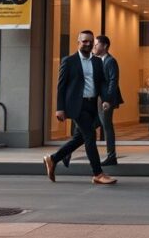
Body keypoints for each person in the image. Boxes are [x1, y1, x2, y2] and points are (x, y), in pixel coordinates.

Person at [43, 30, 117, 185]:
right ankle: (98, 173)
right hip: (77, 105)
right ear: (78, 42)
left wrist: (106, 99)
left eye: (90, 41)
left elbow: (102, 83)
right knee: (90, 136)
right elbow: (61, 87)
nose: (88, 44)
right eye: (84, 41)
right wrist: (60, 108)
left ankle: (53, 159)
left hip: (92, 104)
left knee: (79, 138)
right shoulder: (69, 61)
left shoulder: (97, 62)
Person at [93, 34, 122, 166]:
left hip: (105, 100)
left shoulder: (110, 61)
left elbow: (113, 81)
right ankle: (68, 151)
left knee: (106, 126)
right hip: (97, 99)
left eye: (96, 44)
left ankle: (111, 156)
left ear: (104, 46)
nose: (94, 47)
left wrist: (108, 100)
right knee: (88, 126)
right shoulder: (97, 60)